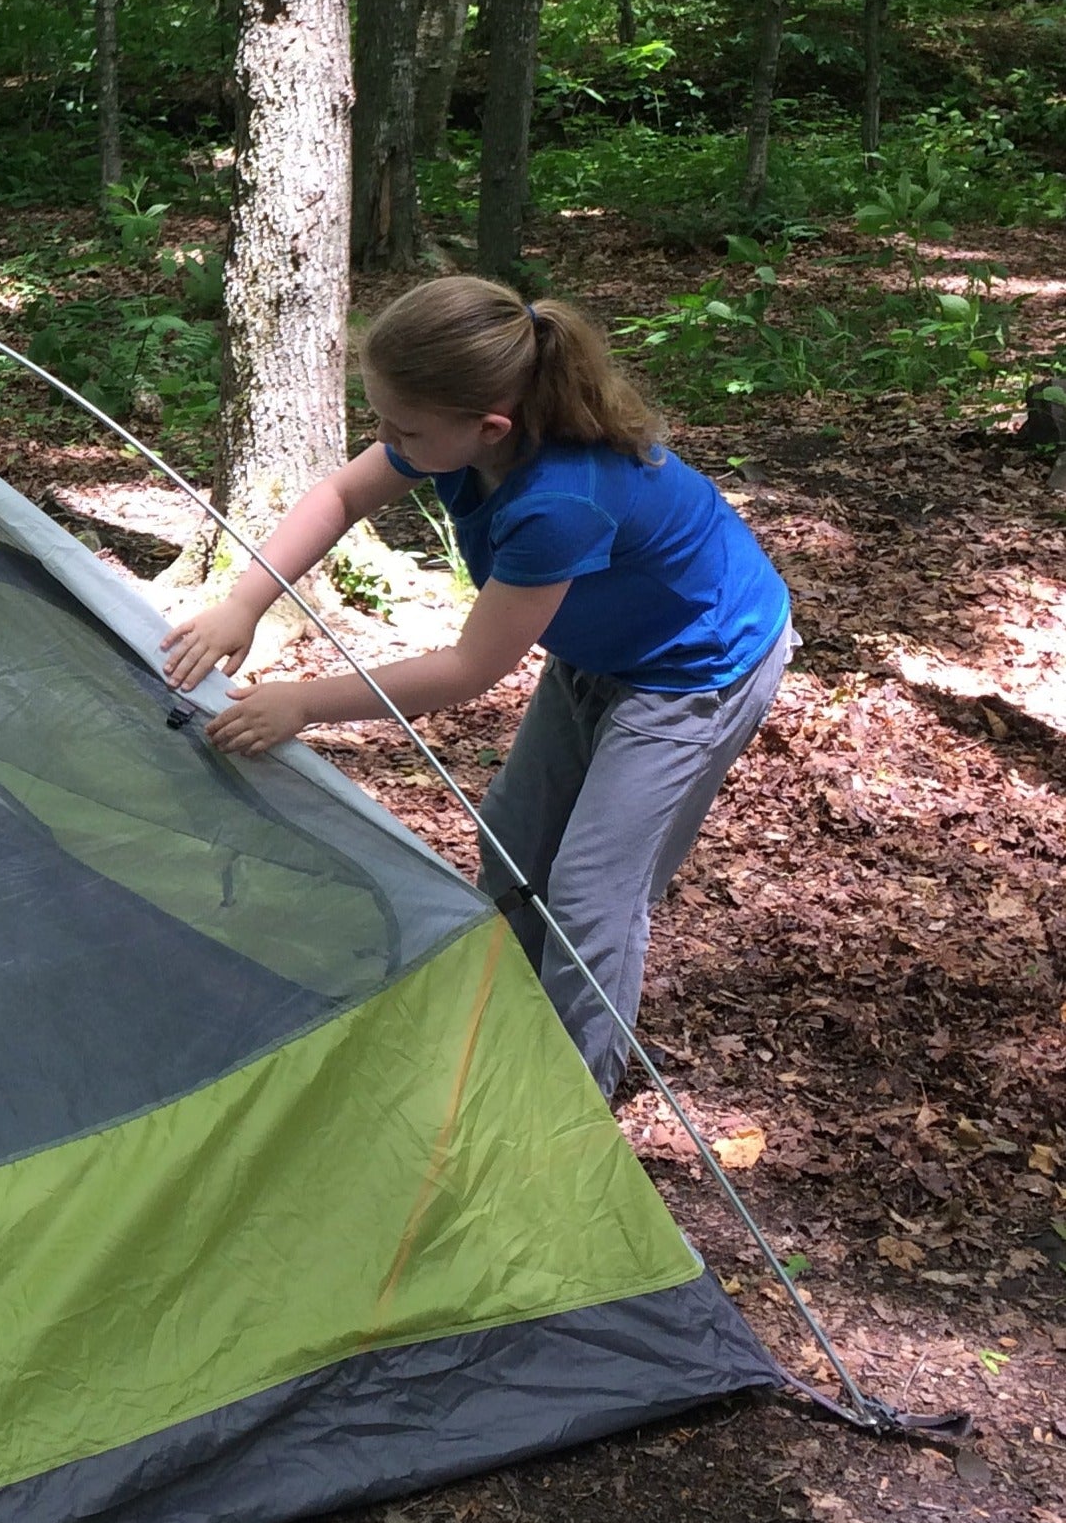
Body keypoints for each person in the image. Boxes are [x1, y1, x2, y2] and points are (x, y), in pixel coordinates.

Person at [161, 275, 793, 1094]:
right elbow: (342, 492)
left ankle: (567, 1101)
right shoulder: (462, 441)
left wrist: (305, 703)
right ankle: (503, 1030)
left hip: (695, 673)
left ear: (488, 425)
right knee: (510, 846)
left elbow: (470, 668)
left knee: (589, 895)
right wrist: (243, 603)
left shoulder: (561, 497)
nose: (384, 438)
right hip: (599, 652)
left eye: (401, 426)